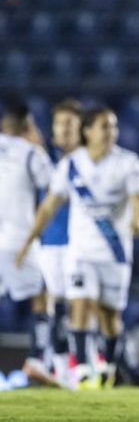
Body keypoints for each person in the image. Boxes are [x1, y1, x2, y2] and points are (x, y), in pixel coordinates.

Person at [17, 106, 139, 391]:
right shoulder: (71, 164)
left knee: (110, 318)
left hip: (115, 252)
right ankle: (85, 371)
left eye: (114, 126)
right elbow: (50, 204)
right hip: (80, 253)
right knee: (80, 305)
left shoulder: (129, 163)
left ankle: (107, 370)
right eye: (104, 126)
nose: (111, 132)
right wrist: (28, 241)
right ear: (87, 131)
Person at [0, 102, 54, 385]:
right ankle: (38, 360)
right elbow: (54, 186)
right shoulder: (31, 152)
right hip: (17, 240)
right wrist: (40, 144)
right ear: (26, 126)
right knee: (43, 295)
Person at [38, 99, 83, 386]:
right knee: (57, 306)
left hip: (83, 243)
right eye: (59, 124)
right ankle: (58, 368)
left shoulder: (91, 159)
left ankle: (86, 366)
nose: (64, 129)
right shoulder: (43, 159)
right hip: (51, 242)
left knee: (84, 307)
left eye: (70, 124)